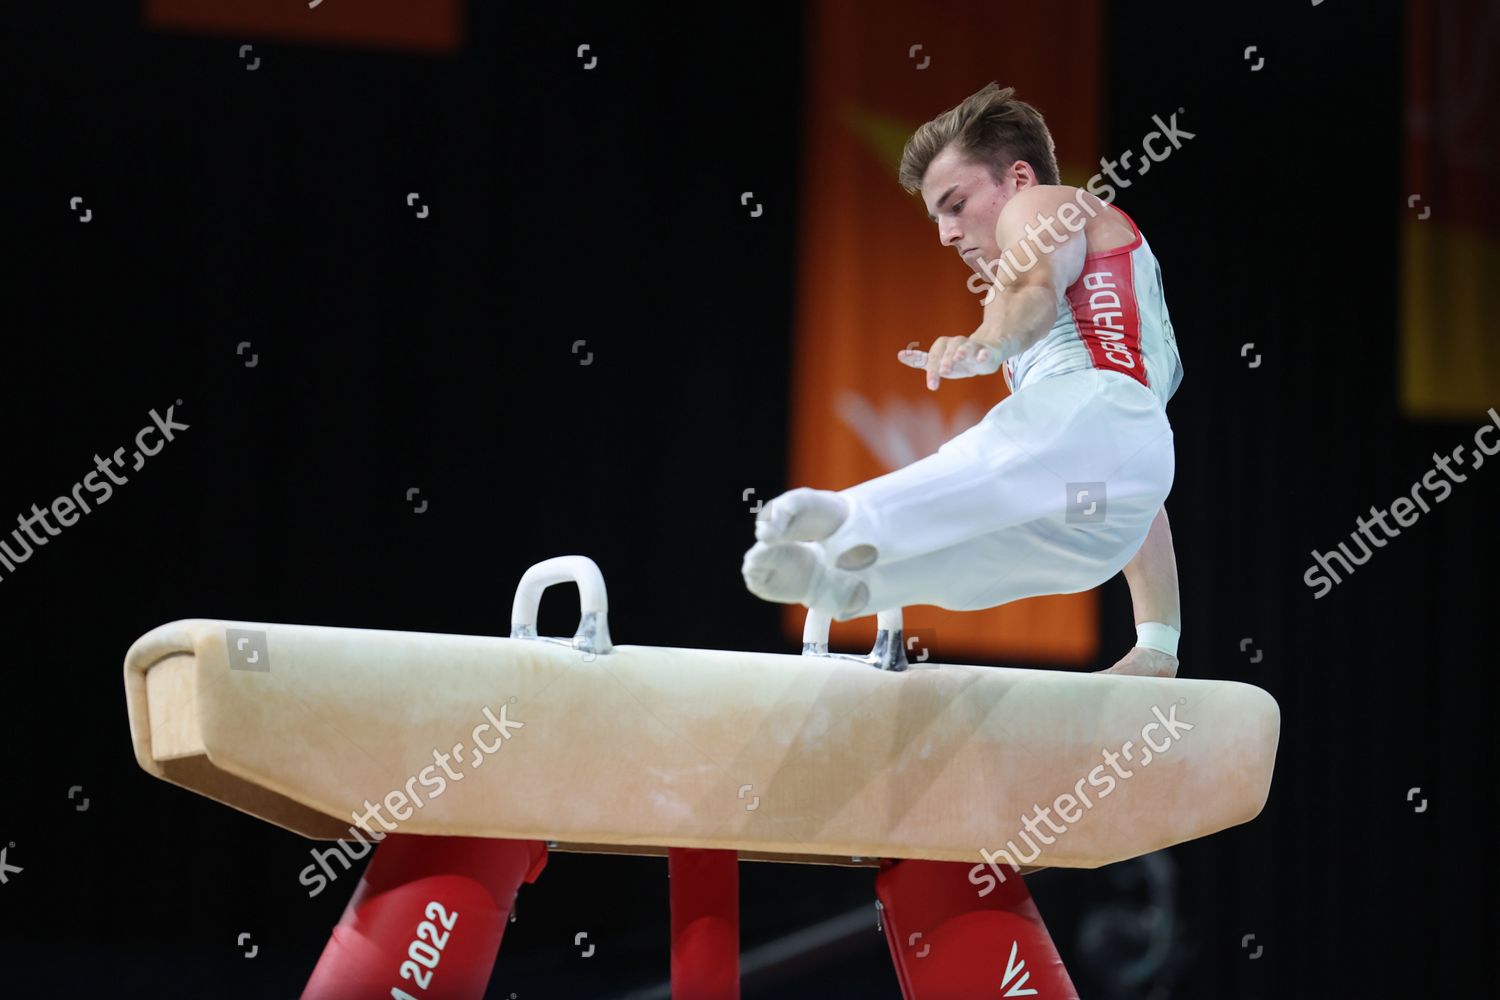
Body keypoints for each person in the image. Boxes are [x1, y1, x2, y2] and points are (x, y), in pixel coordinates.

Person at [742, 83, 1184, 678]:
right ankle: (851, 583)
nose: (946, 234)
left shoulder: (1049, 204)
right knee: (980, 557)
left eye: (955, 203)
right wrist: (1159, 643)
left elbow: (1032, 294)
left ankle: (848, 520)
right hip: (1110, 506)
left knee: (991, 457)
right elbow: (1128, 466)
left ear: (1019, 179)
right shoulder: (1088, 308)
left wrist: (988, 342)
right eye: (936, 217)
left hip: (1104, 423)